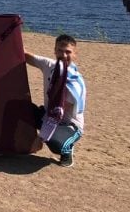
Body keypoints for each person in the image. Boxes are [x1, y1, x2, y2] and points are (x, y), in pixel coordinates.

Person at [25, 34, 86, 168]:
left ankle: (67, 150)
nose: (63, 55)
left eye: (68, 52)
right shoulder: (49, 65)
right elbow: (27, 56)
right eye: (59, 50)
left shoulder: (74, 81)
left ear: (75, 54)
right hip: (48, 116)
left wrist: (40, 138)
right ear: (54, 50)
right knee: (18, 107)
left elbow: (57, 113)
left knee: (55, 143)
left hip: (69, 125)